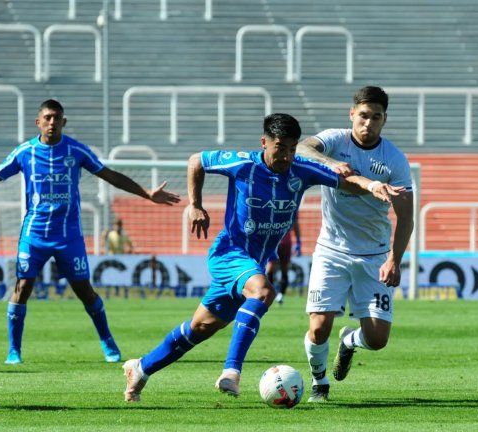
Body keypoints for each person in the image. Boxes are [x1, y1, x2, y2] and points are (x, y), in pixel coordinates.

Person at [122, 113, 401, 402]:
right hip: (230, 253)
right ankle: (231, 372)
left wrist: (371, 185)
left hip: (252, 262)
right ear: (264, 142)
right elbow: (196, 161)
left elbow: (345, 182)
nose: (287, 156)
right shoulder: (243, 163)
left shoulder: (300, 170)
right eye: (280, 147)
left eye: (292, 149)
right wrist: (196, 205)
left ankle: (140, 368)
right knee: (264, 291)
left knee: (200, 328)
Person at [0, 99, 180, 365]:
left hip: (69, 236)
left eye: (57, 118)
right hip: (35, 234)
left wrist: (146, 193)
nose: (52, 122)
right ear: (38, 122)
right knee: (22, 287)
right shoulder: (25, 152)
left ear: (63, 122)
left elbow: (109, 175)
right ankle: (13, 350)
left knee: (84, 291)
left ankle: (107, 341)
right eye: (48, 117)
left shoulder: (76, 151)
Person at [297, 86, 414, 402]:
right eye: (363, 115)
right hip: (331, 250)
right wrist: (330, 163)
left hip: (375, 254)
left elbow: (406, 216)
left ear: (384, 120)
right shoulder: (335, 141)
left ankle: (349, 342)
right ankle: (320, 382)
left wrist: (394, 259)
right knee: (319, 327)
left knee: (377, 340)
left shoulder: (394, 160)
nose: (368, 123)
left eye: (376, 117)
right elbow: (302, 148)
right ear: (352, 115)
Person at [265, 215, 301, 305]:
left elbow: (295, 224)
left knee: (284, 268)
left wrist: (298, 241)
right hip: (273, 243)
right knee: (269, 269)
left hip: (286, 243)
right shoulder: (272, 206)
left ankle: (281, 294)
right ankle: (270, 292)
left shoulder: (291, 205)